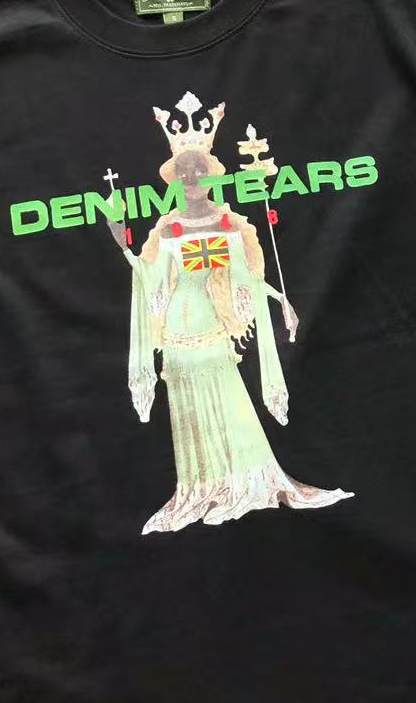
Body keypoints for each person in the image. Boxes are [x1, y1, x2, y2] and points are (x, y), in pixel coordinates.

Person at [111, 105, 350, 533]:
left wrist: (279, 299)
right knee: (189, 412)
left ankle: (245, 477)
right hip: (178, 338)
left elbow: (247, 277)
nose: (191, 177)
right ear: (175, 178)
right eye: (184, 171)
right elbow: (150, 280)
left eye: (198, 170)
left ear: (209, 174)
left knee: (230, 401)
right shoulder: (167, 229)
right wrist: (124, 246)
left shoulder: (229, 224)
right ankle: (202, 484)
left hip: (213, 331)